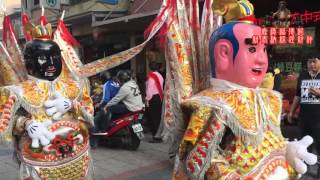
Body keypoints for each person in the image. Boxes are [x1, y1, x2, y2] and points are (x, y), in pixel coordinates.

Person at [171, 1, 317, 179]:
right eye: (252, 49)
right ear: (223, 53)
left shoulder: (267, 98)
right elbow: (196, 161)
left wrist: (287, 151)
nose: (262, 60)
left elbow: (269, 139)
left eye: (263, 50)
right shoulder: (212, 105)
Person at [0, 19, 94, 179]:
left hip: (77, 156)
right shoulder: (16, 92)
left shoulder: (76, 86)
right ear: (29, 61)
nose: (51, 63)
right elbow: (5, 122)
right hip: (39, 162)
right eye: (43, 58)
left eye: (55, 57)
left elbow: (89, 111)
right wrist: (26, 123)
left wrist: (72, 105)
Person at [288, 52, 320, 177]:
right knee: (304, 144)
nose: (311, 64)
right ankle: (304, 172)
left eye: (314, 61)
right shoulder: (303, 75)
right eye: (309, 62)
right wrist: (291, 111)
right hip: (304, 118)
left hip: (319, 118)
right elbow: (298, 95)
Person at [145, 62, 164, 143]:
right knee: (158, 117)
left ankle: (156, 136)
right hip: (159, 97)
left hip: (153, 98)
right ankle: (159, 135)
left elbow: (149, 90)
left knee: (153, 118)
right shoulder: (160, 76)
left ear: (150, 68)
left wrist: (147, 99)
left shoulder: (151, 76)